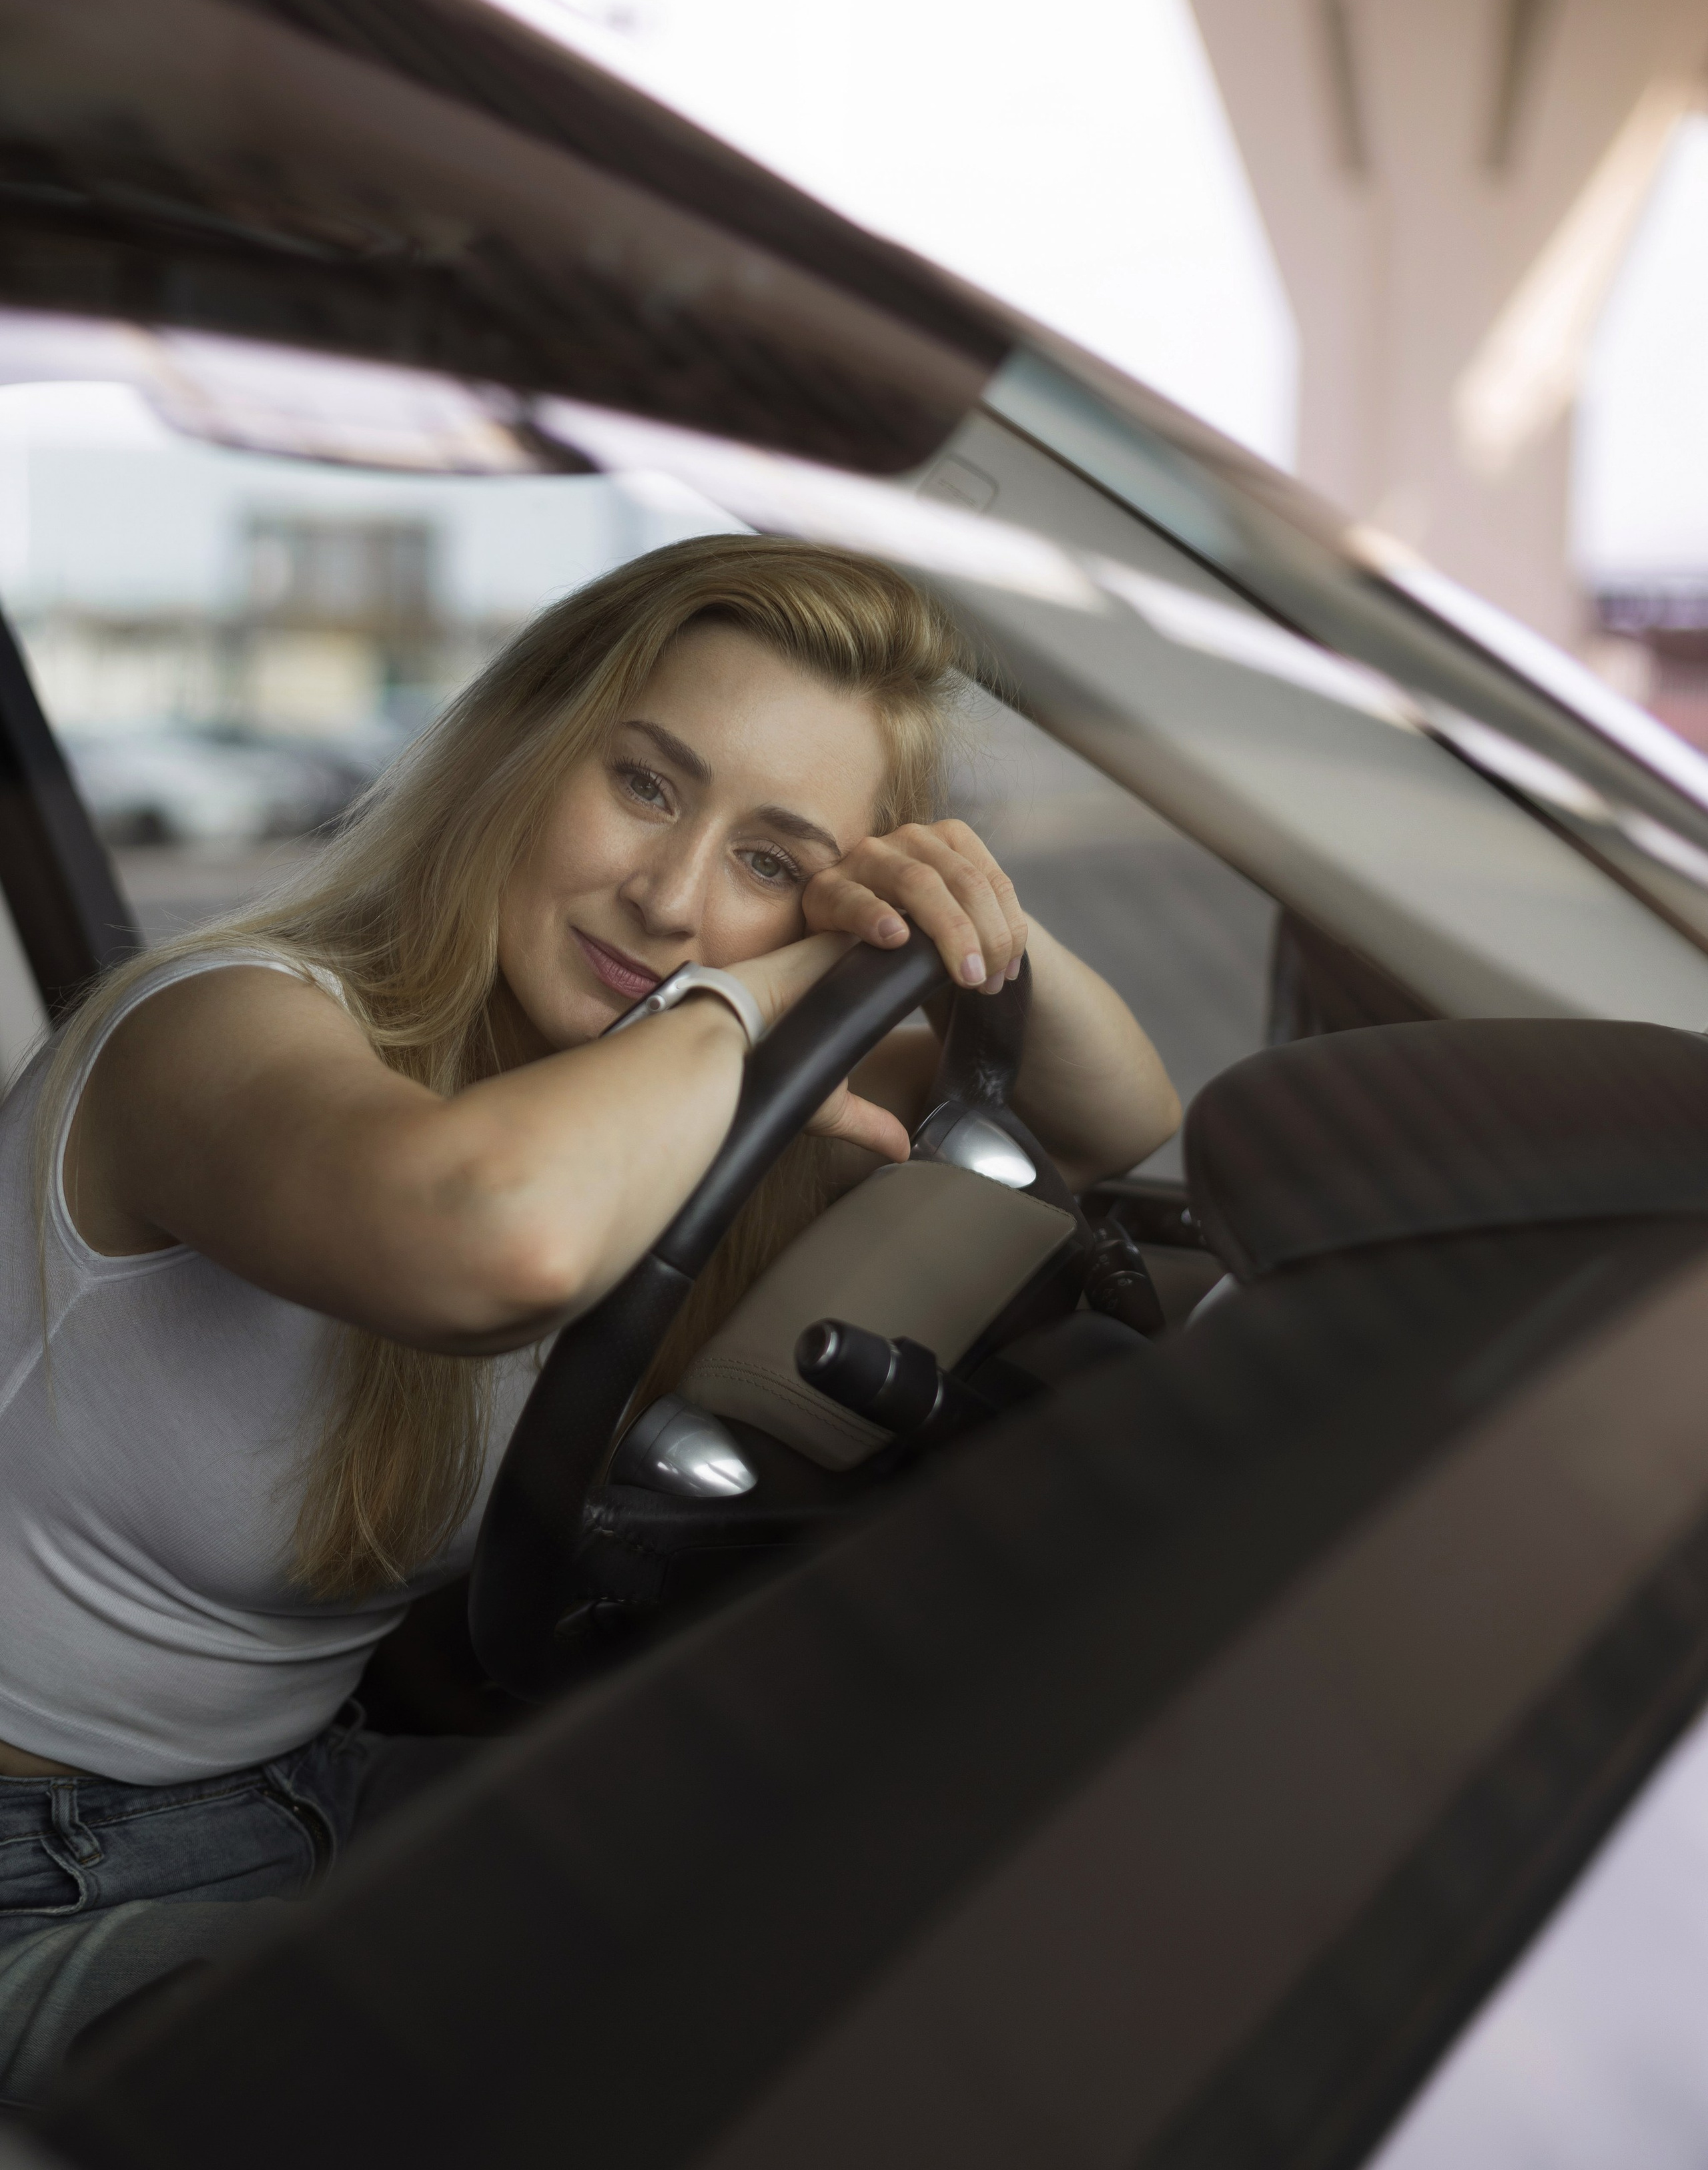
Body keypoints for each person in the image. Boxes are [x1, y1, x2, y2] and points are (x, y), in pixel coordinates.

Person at [0, 534, 1178, 2100]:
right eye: (644, 786)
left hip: (298, 1794)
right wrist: (764, 987)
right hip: (35, 1874)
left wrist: (957, 914)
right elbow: (503, 1234)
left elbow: (1111, 1120)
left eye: (774, 861)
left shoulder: (646, 1100)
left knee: (867, 1923)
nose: (670, 894)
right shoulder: (216, 1027)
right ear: (514, 749)